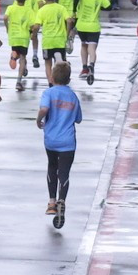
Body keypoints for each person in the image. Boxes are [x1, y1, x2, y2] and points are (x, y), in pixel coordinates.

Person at [37, 62, 82, 224]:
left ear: (52, 77)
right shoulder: (73, 96)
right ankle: (62, 200)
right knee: (64, 172)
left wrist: (39, 119)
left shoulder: (48, 93)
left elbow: (44, 109)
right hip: (68, 141)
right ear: (69, 79)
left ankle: (51, 202)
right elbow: (78, 119)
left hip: (51, 139)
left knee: (52, 166)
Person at [72, 0, 111, 85]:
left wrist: (74, 10)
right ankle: (91, 65)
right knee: (92, 47)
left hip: (81, 25)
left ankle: (84, 68)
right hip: (94, 26)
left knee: (84, 45)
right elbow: (109, 6)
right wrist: (98, 7)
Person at [2, 0, 35, 91]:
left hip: (14, 35)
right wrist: (32, 33)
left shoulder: (10, 8)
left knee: (17, 51)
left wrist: (7, 28)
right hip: (24, 37)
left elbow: (5, 18)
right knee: (23, 58)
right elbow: (32, 25)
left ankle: (14, 54)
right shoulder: (29, 10)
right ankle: (19, 81)